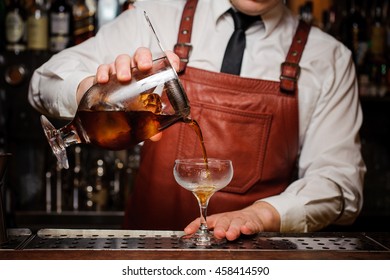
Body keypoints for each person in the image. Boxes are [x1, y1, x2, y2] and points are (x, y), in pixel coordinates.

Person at [28, 0, 365, 240]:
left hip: (254, 262)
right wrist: (89, 90)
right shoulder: (154, 14)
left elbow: (339, 182)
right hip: (145, 256)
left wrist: (262, 215)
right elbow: (43, 81)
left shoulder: (330, 58)